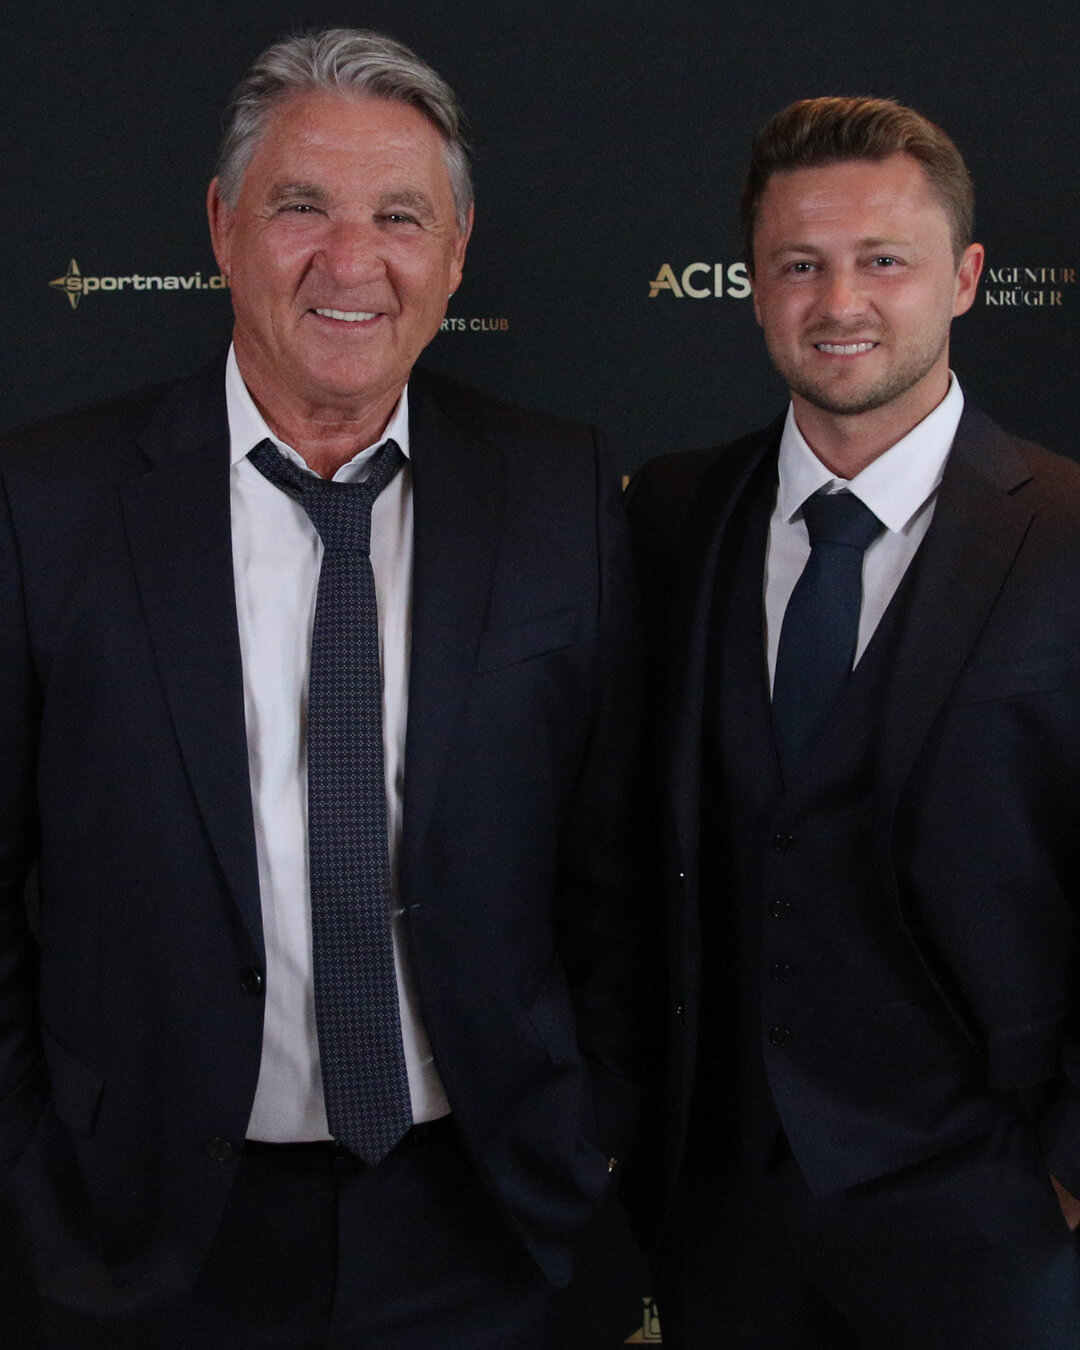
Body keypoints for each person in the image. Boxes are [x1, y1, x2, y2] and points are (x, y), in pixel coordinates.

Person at [0, 28, 642, 1348]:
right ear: (223, 228)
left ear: (455, 253)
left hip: (492, 1223)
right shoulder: (48, 503)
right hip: (145, 1235)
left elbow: (617, 859)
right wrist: (36, 1172)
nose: (351, 263)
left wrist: (589, 1128)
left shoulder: (559, 492)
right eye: (303, 206)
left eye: (399, 217)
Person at [627, 96, 1080, 1349]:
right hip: (722, 1216)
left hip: (991, 1215)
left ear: (966, 279)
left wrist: (1065, 1172)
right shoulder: (672, 513)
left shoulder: (1068, 536)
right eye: (799, 265)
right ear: (752, 286)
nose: (840, 302)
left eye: (884, 260)